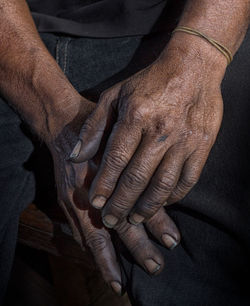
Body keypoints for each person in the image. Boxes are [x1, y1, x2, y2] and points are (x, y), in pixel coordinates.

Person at [0, 0, 250, 305]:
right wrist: (59, 116)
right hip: (11, 33)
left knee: (214, 254)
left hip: (187, 28)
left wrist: (198, 58)